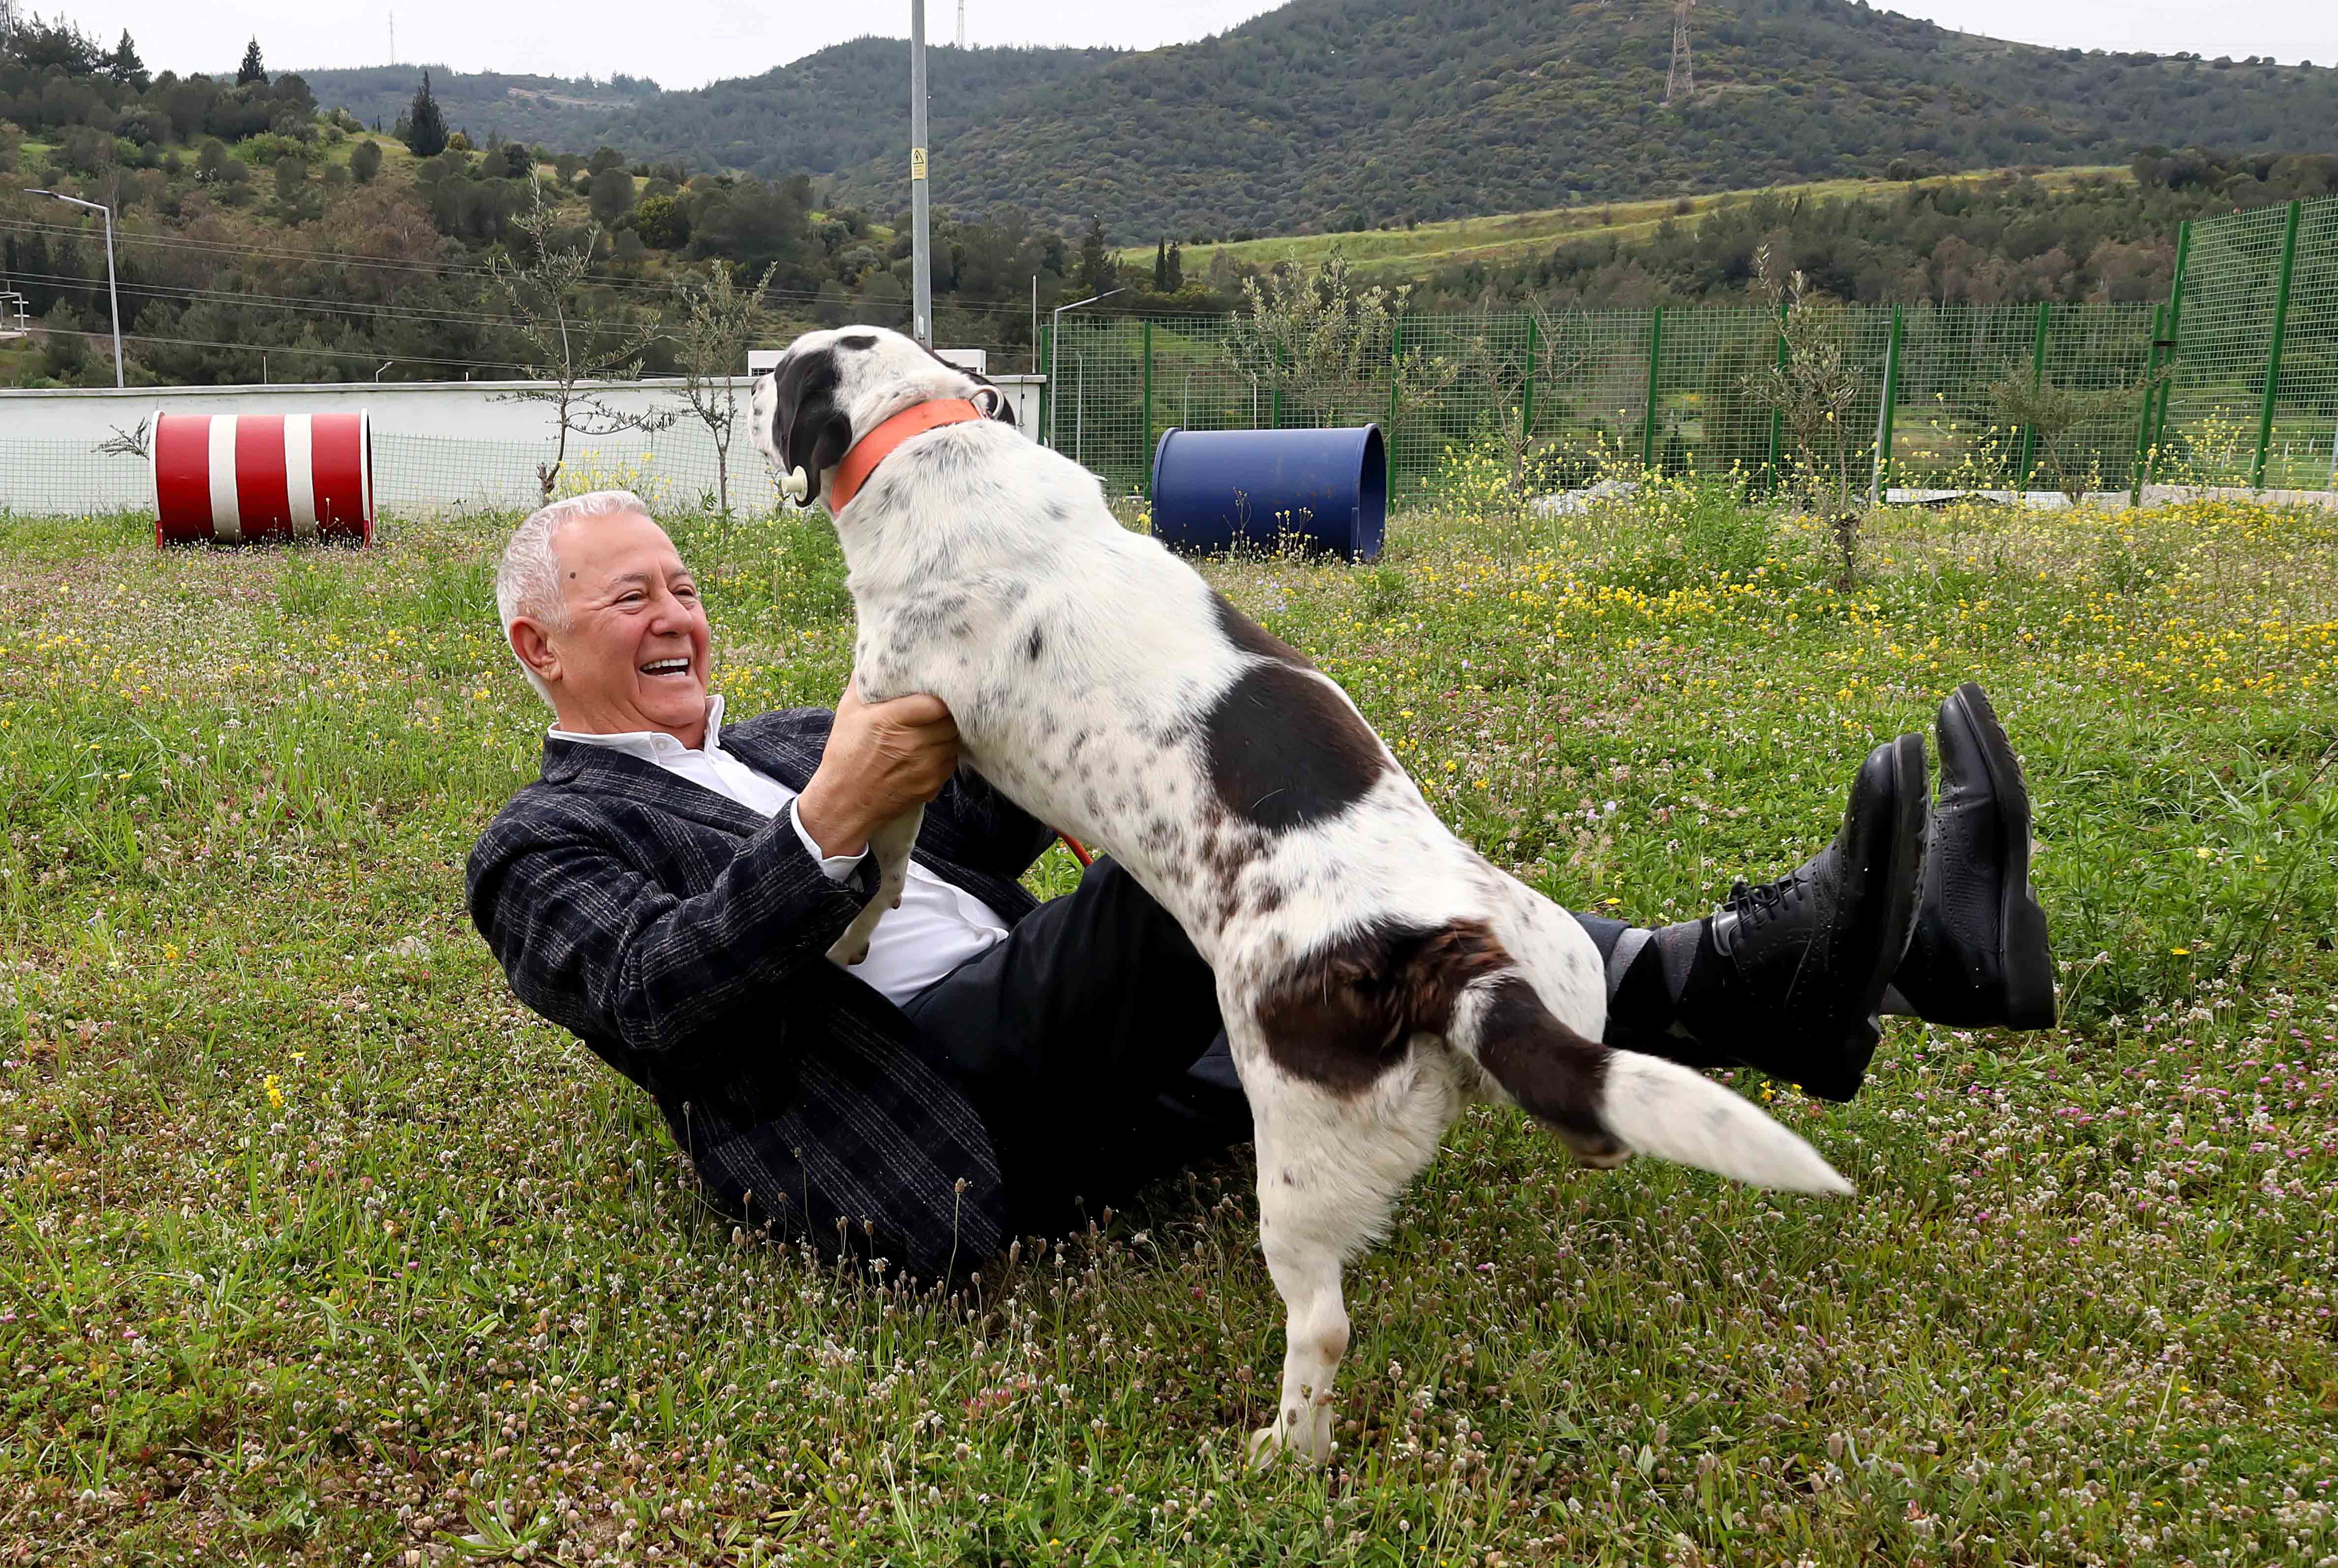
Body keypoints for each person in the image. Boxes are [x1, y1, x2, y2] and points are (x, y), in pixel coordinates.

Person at [466, 492, 2054, 1280]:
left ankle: (1895, 960)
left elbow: (959, 841)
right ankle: (1799, 966)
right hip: (937, 1096)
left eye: (684, 583)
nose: (679, 613)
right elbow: (651, 996)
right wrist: (822, 826)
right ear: (543, 647)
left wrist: (1056, 724)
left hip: (1054, 1019)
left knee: (1351, 880)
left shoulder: (789, 732)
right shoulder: (538, 848)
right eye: (632, 598)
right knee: (1224, 840)